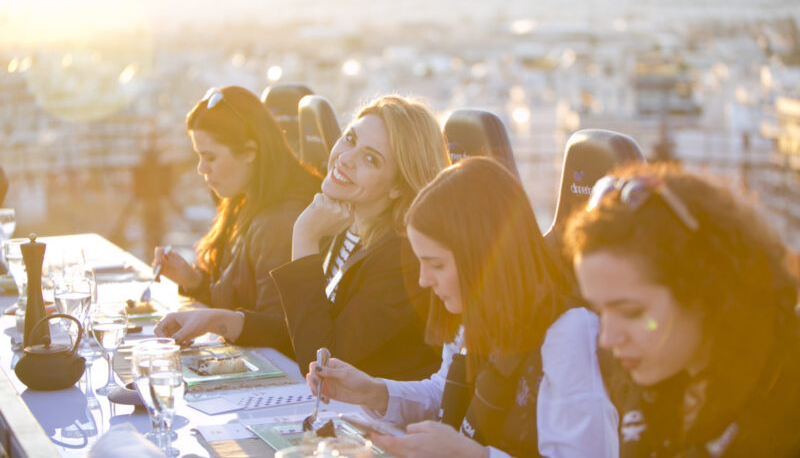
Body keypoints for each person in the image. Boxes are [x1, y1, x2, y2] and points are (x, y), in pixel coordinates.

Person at [307, 157, 618, 457]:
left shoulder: (569, 333)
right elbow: (445, 394)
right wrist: (373, 391)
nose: (424, 280)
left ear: (483, 258)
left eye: (437, 265)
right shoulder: (478, 310)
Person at [156, 95, 449, 379]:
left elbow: (322, 359)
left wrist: (304, 236)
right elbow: (308, 328)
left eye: (371, 159)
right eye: (349, 139)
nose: (345, 158)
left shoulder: (402, 257)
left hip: (377, 421)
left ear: (398, 185)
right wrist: (222, 321)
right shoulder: (348, 226)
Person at [564, 162, 800, 457]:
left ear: (702, 293)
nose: (607, 339)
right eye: (599, 311)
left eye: (632, 312)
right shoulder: (658, 379)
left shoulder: (784, 416)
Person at [152, 86, 320, 314]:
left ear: (250, 151)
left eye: (210, 157)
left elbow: (276, 327)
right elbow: (235, 301)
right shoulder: (245, 199)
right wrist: (192, 280)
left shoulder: (281, 220)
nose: (201, 168)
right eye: (199, 156)